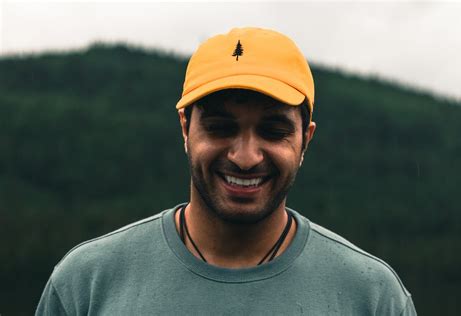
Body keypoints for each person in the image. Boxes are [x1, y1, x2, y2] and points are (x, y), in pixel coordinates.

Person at [36, 27, 416, 315]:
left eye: (273, 131)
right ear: (186, 128)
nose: (246, 156)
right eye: (220, 127)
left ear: (306, 139)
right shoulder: (86, 284)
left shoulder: (371, 296)